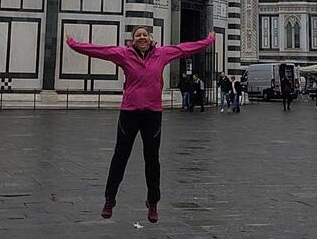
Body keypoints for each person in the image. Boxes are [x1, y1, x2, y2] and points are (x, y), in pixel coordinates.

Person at [65, 27, 215, 222]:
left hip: (152, 113)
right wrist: (73, 44)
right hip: (129, 112)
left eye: (145, 35)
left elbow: (185, 48)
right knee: (120, 156)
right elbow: (99, 51)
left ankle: (153, 203)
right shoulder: (123, 54)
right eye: (138, 35)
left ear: (151, 38)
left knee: (152, 158)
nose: (142, 37)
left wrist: (208, 41)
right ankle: (110, 199)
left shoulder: (162, 53)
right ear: (132, 39)